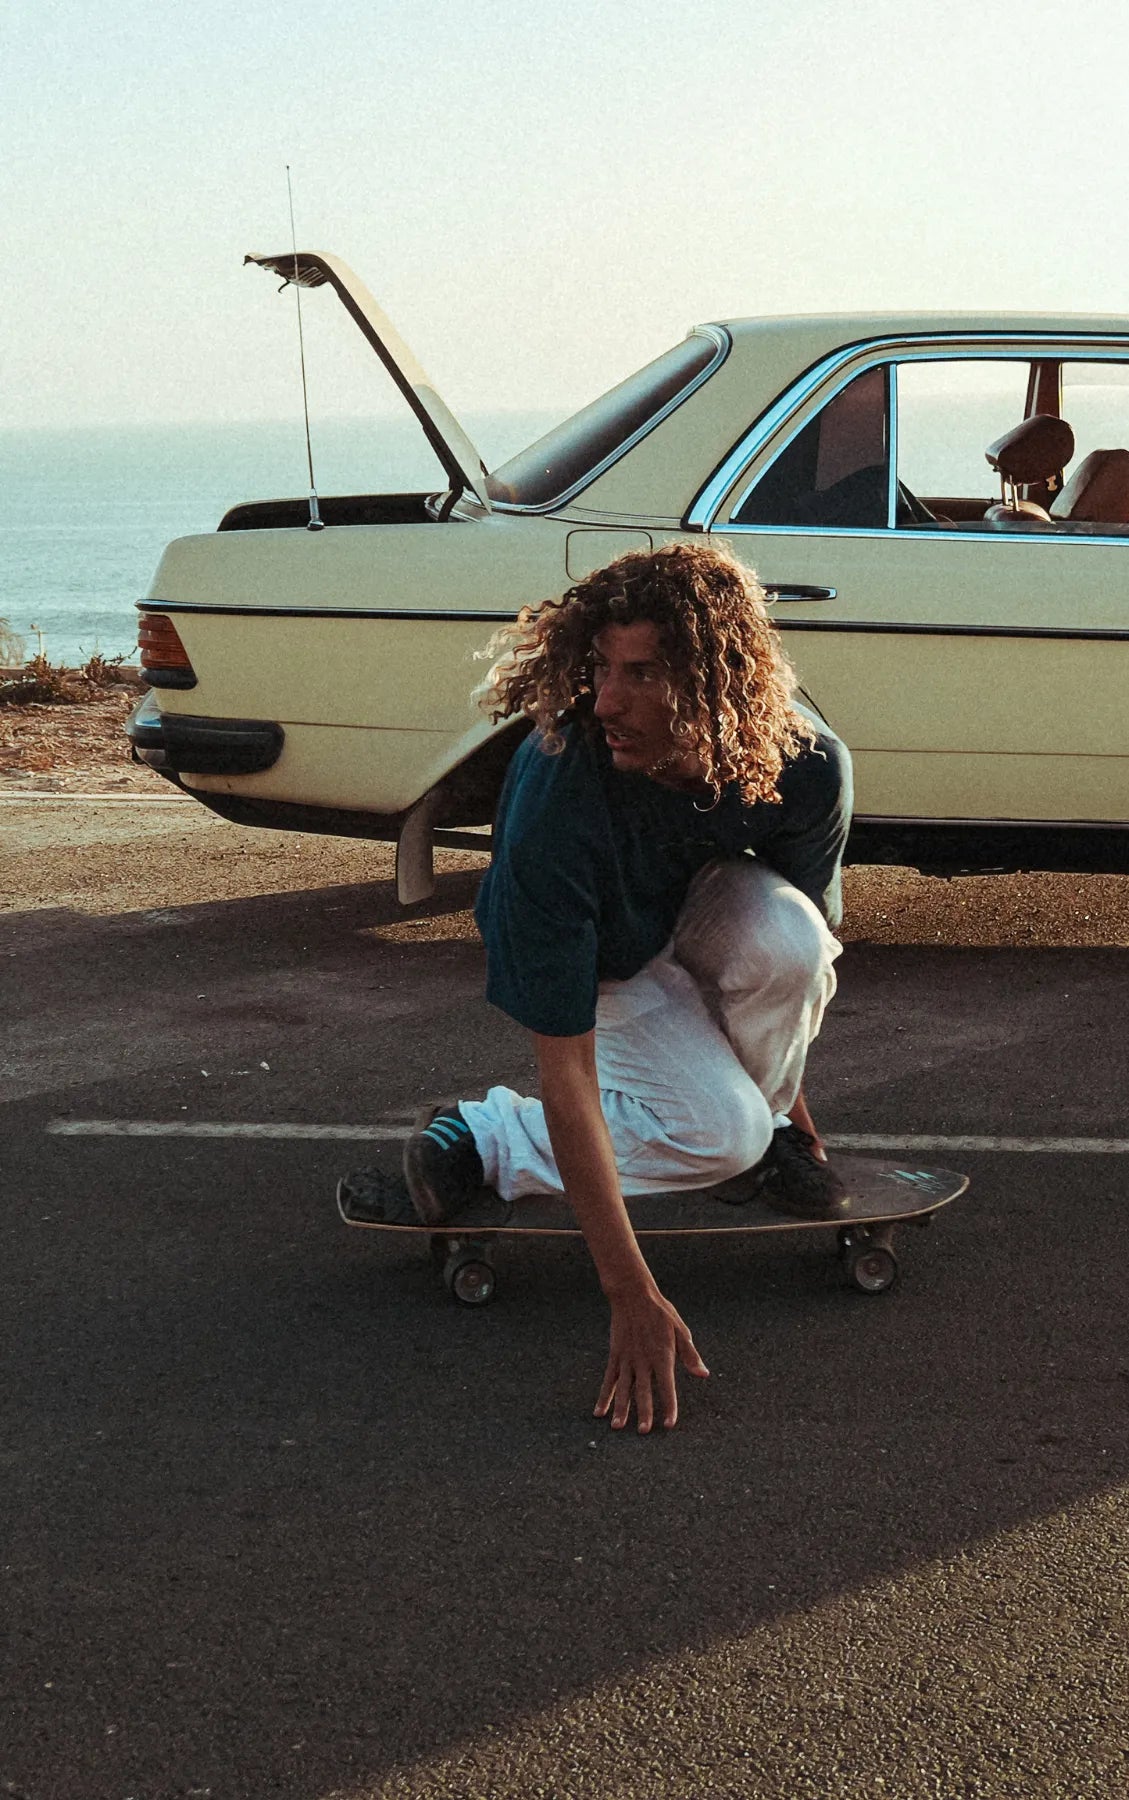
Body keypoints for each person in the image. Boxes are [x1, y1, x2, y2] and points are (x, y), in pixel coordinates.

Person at [359, 542, 853, 1433]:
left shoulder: (804, 766)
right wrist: (628, 1292)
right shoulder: (559, 798)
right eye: (600, 668)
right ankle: (484, 1135)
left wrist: (791, 1115)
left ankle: (761, 1129)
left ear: (714, 684)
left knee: (794, 942)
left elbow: (791, 973)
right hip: (601, 959)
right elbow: (569, 1071)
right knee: (721, 1136)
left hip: (682, 906)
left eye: (643, 674)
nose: (607, 701)